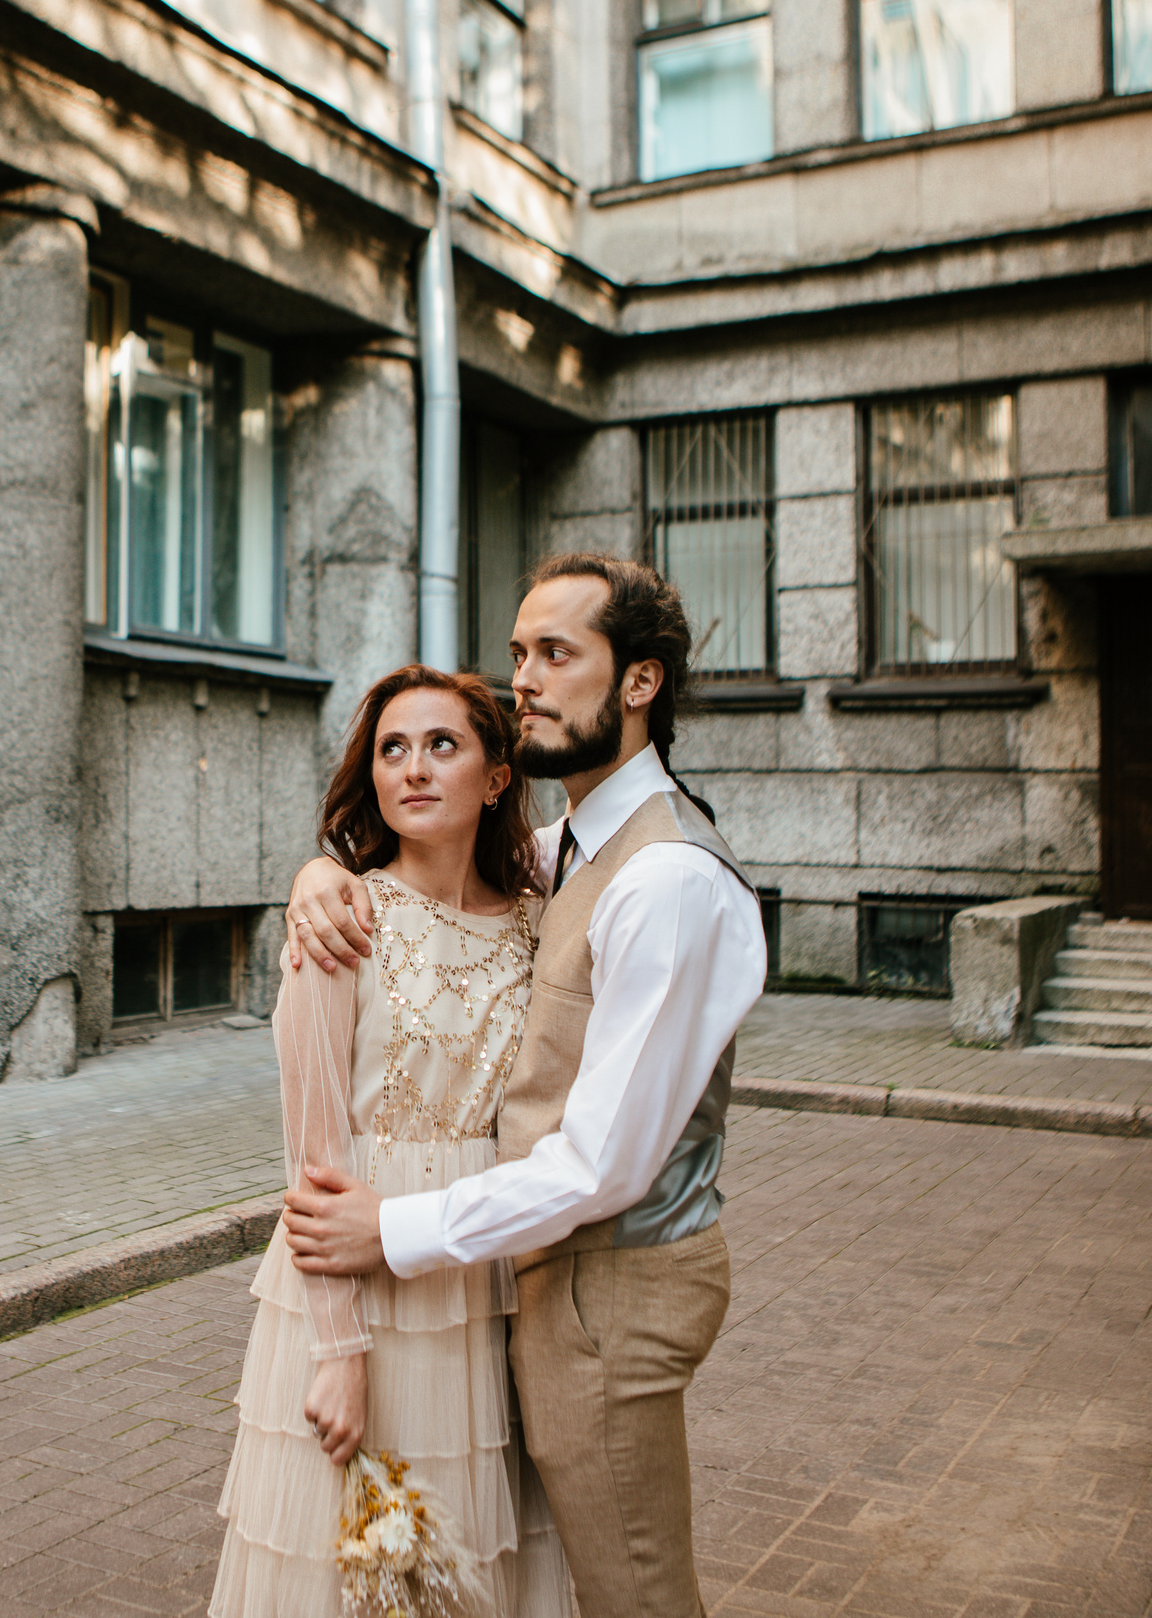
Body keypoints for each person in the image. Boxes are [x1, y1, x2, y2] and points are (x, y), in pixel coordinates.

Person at [281, 554, 767, 1618]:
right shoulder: (574, 846)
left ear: (639, 684)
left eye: (557, 654)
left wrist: (392, 1229)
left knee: (632, 1594)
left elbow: (603, 1165)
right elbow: (444, 859)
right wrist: (321, 876)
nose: (525, 683)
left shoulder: (667, 879)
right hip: (541, 1280)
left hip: (614, 1287)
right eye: (517, 655)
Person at [212, 666, 572, 1618]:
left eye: (442, 744)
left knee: (474, 1550)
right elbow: (312, 1154)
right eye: (391, 749)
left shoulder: (542, 923)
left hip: (485, 1271)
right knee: (363, 1571)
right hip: (358, 1287)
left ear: (497, 776)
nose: (413, 767)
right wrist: (338, 1350)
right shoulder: (342, 918)